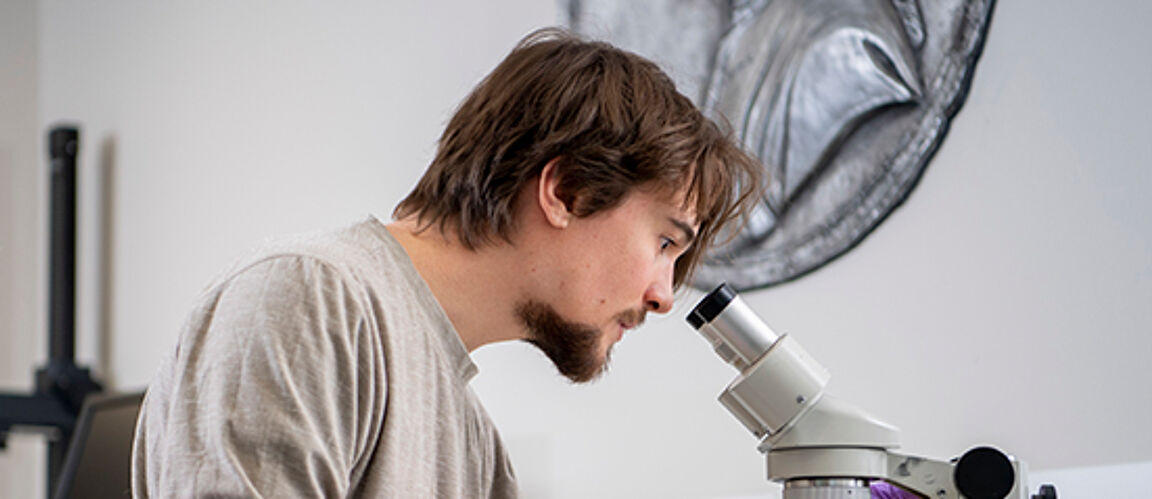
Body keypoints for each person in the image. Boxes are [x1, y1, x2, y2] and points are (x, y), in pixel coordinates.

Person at [131, 27, 764, 498]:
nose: (662, 295)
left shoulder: (471, 440)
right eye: (665, 244)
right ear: (566, 191)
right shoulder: (309, 298)